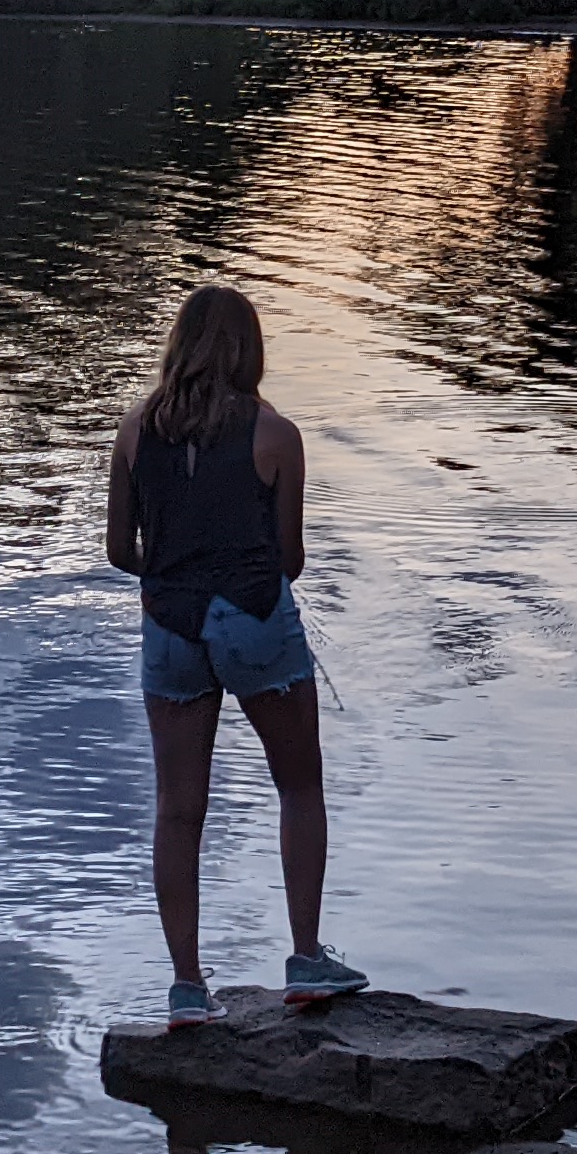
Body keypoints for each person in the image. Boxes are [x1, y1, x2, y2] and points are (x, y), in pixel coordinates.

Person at [104, 283, 366, 1029]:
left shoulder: (133, 430)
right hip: (253, 621)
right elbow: (290, 560)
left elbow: (120, 550)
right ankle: (306, 959)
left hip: (170, 627)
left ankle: (187, 988)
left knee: (178, 810)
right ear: (250, 351)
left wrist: (175, 573)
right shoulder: (275, 434)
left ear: (179, 345)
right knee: (299, 787)